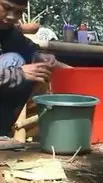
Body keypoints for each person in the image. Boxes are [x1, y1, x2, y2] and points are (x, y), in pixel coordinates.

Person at [0, 0, 62, 150]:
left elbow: (28, 48)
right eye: (7, 8)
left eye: (19, 12)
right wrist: (19, 73)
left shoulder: (8, 31)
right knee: (14, 61)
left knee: (28, 65)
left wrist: (40, 57)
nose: (12, 16)